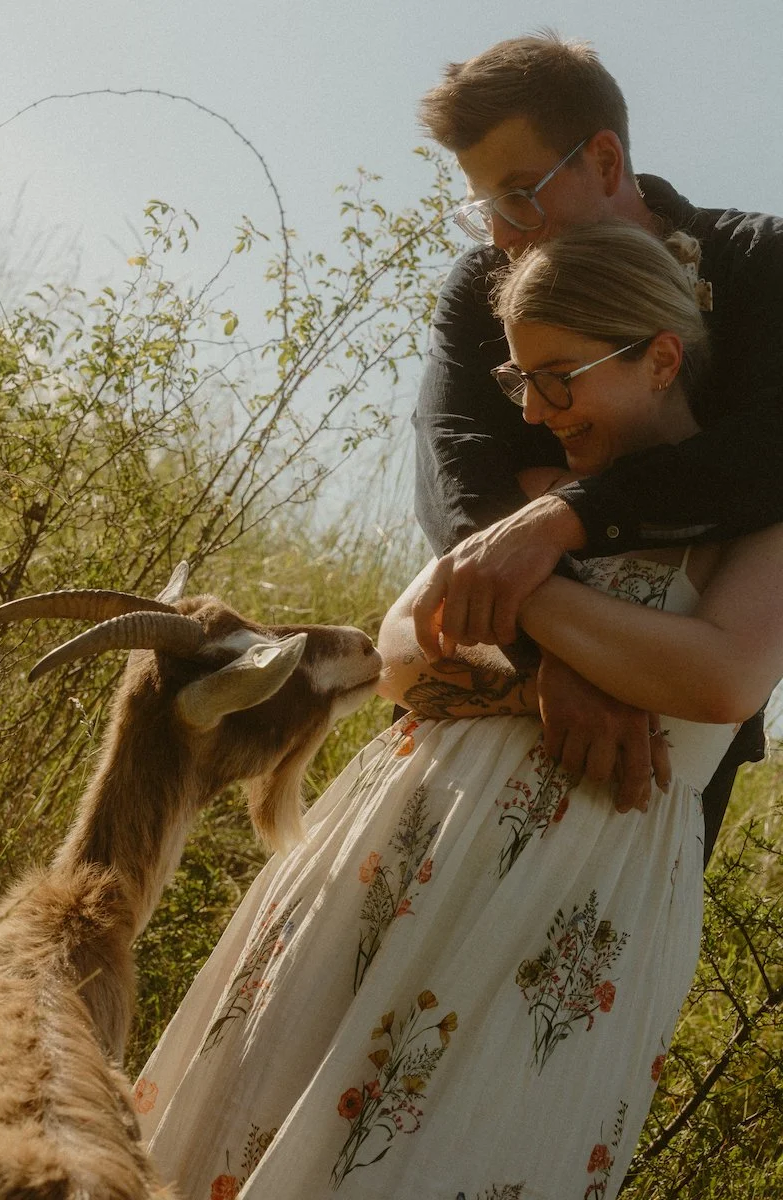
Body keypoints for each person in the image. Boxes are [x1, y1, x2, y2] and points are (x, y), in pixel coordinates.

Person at [134, 224, 783, 1200]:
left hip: (573, 903)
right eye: (519, 379)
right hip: (391, 850)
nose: (534, 408)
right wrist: (533, 672)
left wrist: (523, 590)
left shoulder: (759, 519)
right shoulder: (540, 492)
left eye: (558, 376)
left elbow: (720, 677)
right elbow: (399, 651)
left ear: (657, 358)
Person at [411, 33, 782, 862]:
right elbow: (455, 468)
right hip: (479, 705)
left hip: (663, 734)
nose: (504, 234)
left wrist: (562, 518)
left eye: (520, 193)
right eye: (484, 205)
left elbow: (770, 450)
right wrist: (550, 653)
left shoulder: (761, 263)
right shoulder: (479, 291)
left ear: (606, 160)